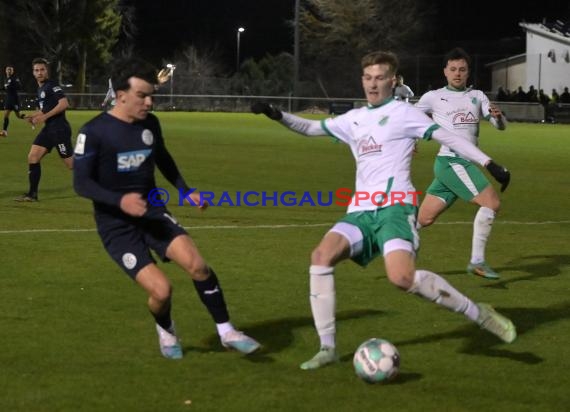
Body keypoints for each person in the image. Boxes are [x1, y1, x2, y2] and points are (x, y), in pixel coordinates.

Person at [252, 50, 515, 370]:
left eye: (379, 78)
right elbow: (311, 129)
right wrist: (275, 113)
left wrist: (490, 164)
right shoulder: (354, 118)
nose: (373, 84)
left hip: (396, 208)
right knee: (321, 257)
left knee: (402, 278)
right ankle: (328, 347)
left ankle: (479, 313)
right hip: (360, 211)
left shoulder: (407, 114)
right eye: (367, 78)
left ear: (392, 81)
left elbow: (449, 138)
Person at [73, 57, 260, 360]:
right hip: (117, 226)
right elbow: (81, 184)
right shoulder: (93, 132)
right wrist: (120, 201)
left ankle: (227, 331)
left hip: (153, 212)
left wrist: (187, 191)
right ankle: (166, 330)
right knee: (161, 291)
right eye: (142, 96)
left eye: (151, 95)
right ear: (121, 96)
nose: (149, 102)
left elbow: (162, 157)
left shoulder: (150, 123)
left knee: (198, 266)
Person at [415, 47, 508, 279]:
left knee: (423, 219)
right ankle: (477, 261)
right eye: (453, 69)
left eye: (462, 69)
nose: (457, 73)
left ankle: (389, 243)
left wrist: (498, 117)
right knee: (492, 202)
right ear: (445, 71)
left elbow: (500, 126)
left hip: (461, 165)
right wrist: (411, 140)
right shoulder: (433, 97)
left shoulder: (477, 96)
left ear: (468, 73)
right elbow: (409, 118)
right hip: (451, 161)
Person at [15, 58, 73, 202]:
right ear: (33, 73)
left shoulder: (52, 85)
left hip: (59, 130)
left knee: (72, 165)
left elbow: (64, 103)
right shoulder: (40, 89)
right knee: (33, 157)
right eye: (36, 70)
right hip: (49, 130)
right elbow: (44, 109)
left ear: (47, 71)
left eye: (42, 70)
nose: (39, 73)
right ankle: (32, 194)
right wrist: (34, 117)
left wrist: (44, 116)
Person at [1, 65, 26, 137]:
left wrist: (12, 86)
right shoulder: (6, 79)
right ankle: (5, 131)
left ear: (12, 71)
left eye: (10, 70)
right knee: (5, 115)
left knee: (18, 116)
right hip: (8, 99)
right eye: (7, 70)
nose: (8, 71)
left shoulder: (15, 79)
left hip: (14, 100)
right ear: (5, 71)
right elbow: (5, 88)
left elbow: (19, 87)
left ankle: (30, 118)